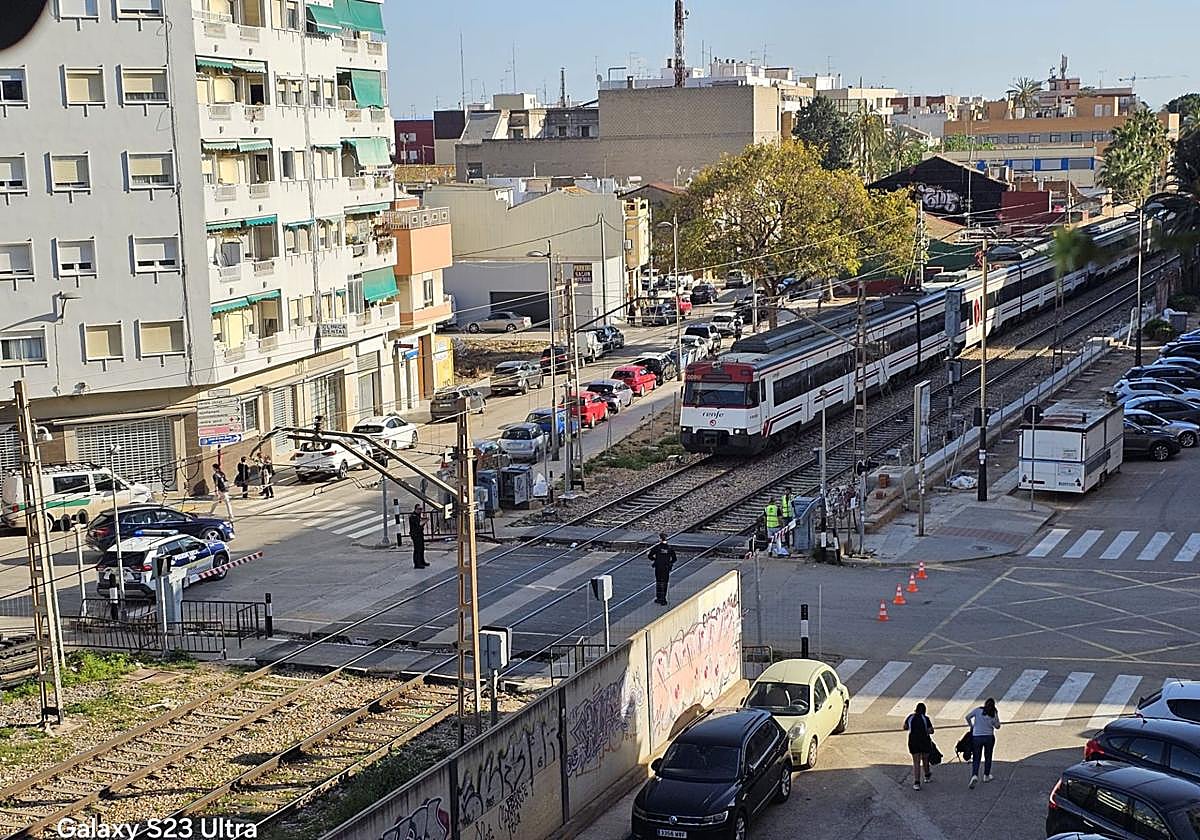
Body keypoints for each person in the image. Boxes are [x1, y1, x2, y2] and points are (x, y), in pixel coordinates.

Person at [966, 698, 1001, 788]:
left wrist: (972, 726)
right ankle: (986, 775)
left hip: (977, 736)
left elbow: (967, 717)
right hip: (989, 737)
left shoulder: (978, 710)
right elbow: (997, 726)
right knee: (988, 756)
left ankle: (974, 775)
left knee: (976, 757)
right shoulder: (993, 713)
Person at [903, 702, 935, 790]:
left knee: (916, 762)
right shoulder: (925, 718)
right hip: (924, 741)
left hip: (913, 742)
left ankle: (917, 782)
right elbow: (931, 730)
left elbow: (905, 727)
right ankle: (927, 775)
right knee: (925, 759)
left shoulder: (911, 717)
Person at [648, 533, 676, 605]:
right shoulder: (670, 548)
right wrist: (669, 563)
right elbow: (674, 559)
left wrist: (656, 560)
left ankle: (659, 597)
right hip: (666, 568)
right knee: (665, 582)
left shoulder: (657, 547)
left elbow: (650, 556)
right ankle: (664, 598)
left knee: (659, 582)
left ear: (660, 539)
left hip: (658, 567)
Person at [409, 504, 427, 569]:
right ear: (416, 509)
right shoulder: (413, 516)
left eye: (421, 509)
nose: (420, 510)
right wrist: (424, 521)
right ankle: (417, 564)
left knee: (422, 548)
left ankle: (422, 561)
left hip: (420, 534)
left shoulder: (418, 515)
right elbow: (418, 525)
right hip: (415, 534)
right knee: (417, 549)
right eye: (419, 509)